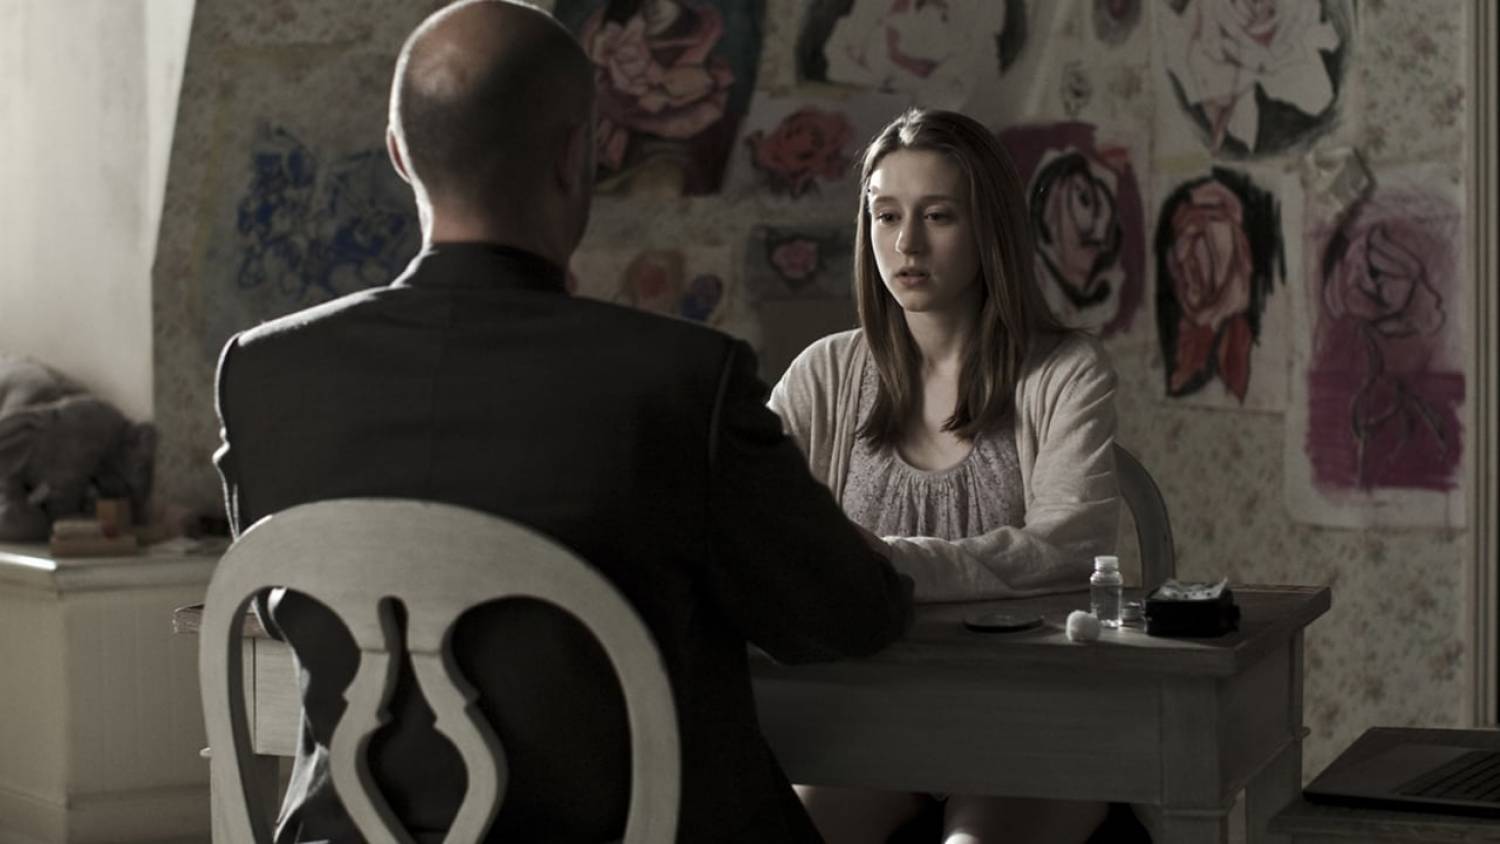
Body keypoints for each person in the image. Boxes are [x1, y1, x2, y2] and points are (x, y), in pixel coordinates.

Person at [212, 2, 913, 842]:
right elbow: (845, 617)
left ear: (399, 154)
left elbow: (290, 607)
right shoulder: (680, 382)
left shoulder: (262, 374)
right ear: (580, 154)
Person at [769, 107, 1120, 843]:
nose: (907, 244)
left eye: (938, 216)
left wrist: (887, 563)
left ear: (989, 228)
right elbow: (761, 528)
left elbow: (1069, 546)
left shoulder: (1064, 371)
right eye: (886, 216)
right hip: (866, 718)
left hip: (1032, 721)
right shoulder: (824, 375)